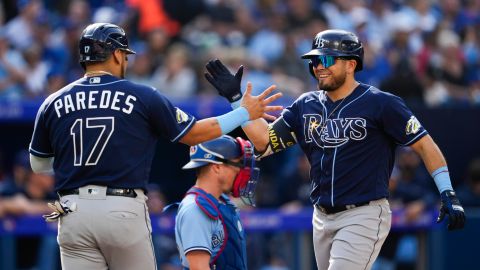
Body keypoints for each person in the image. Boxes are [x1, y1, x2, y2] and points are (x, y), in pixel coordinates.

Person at [204, 29, 466, 270]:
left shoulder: (381, 103)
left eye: (327, 60)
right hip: (321, 216)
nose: (319, 67)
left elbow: (423, 143)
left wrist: (447, 192)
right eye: (315, 62)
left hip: (363, 213)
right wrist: (237, 101)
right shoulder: (305, 104)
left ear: (351, 64)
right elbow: (264, 142)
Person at [28, 23, 281, 270]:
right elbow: (193, 134)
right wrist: (243, 113)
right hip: (121, 207)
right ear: (116, 54)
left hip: (72, 210)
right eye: (124, 55)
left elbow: (38, 165)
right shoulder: (141, 94)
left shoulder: (53, 101)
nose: (125, 61)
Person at [175, 135, 259, 270]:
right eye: (238, 165)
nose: (243, 172)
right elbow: (198, 267)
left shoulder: (223, 201)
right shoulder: (196, 208)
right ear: (217, 167)